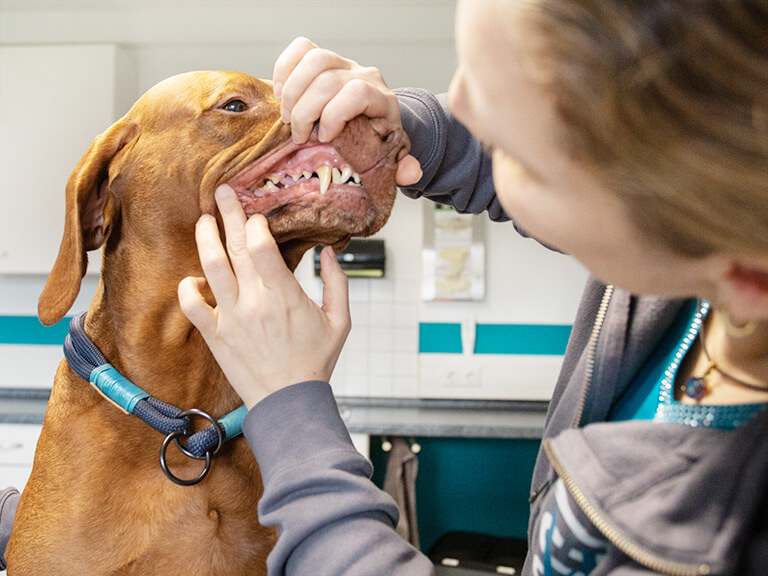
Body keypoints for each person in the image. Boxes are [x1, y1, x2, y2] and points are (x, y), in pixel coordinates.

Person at [3, 0, 768, 573]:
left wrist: (290, 405)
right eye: (236, 108)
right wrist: (404, 125)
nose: (454, 104)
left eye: (522, 135)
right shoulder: (700, 282)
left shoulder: (714, 520)